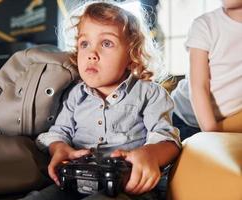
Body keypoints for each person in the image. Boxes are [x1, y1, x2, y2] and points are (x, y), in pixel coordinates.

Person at [21, 1, 181, 200]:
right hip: (74, 182)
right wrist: (59, 148)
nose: (91, 54)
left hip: (127, 187)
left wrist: (150, 154)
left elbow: (168, 139)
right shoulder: (74, 95)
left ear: (132, 55)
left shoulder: (149, 94)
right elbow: (58, 133)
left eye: (106, 43)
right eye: (84, 44)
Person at [171, 0, 242, 141]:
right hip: (186, 119)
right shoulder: (205, 25)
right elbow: (199, 87)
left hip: (227, 120)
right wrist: (212, 135)